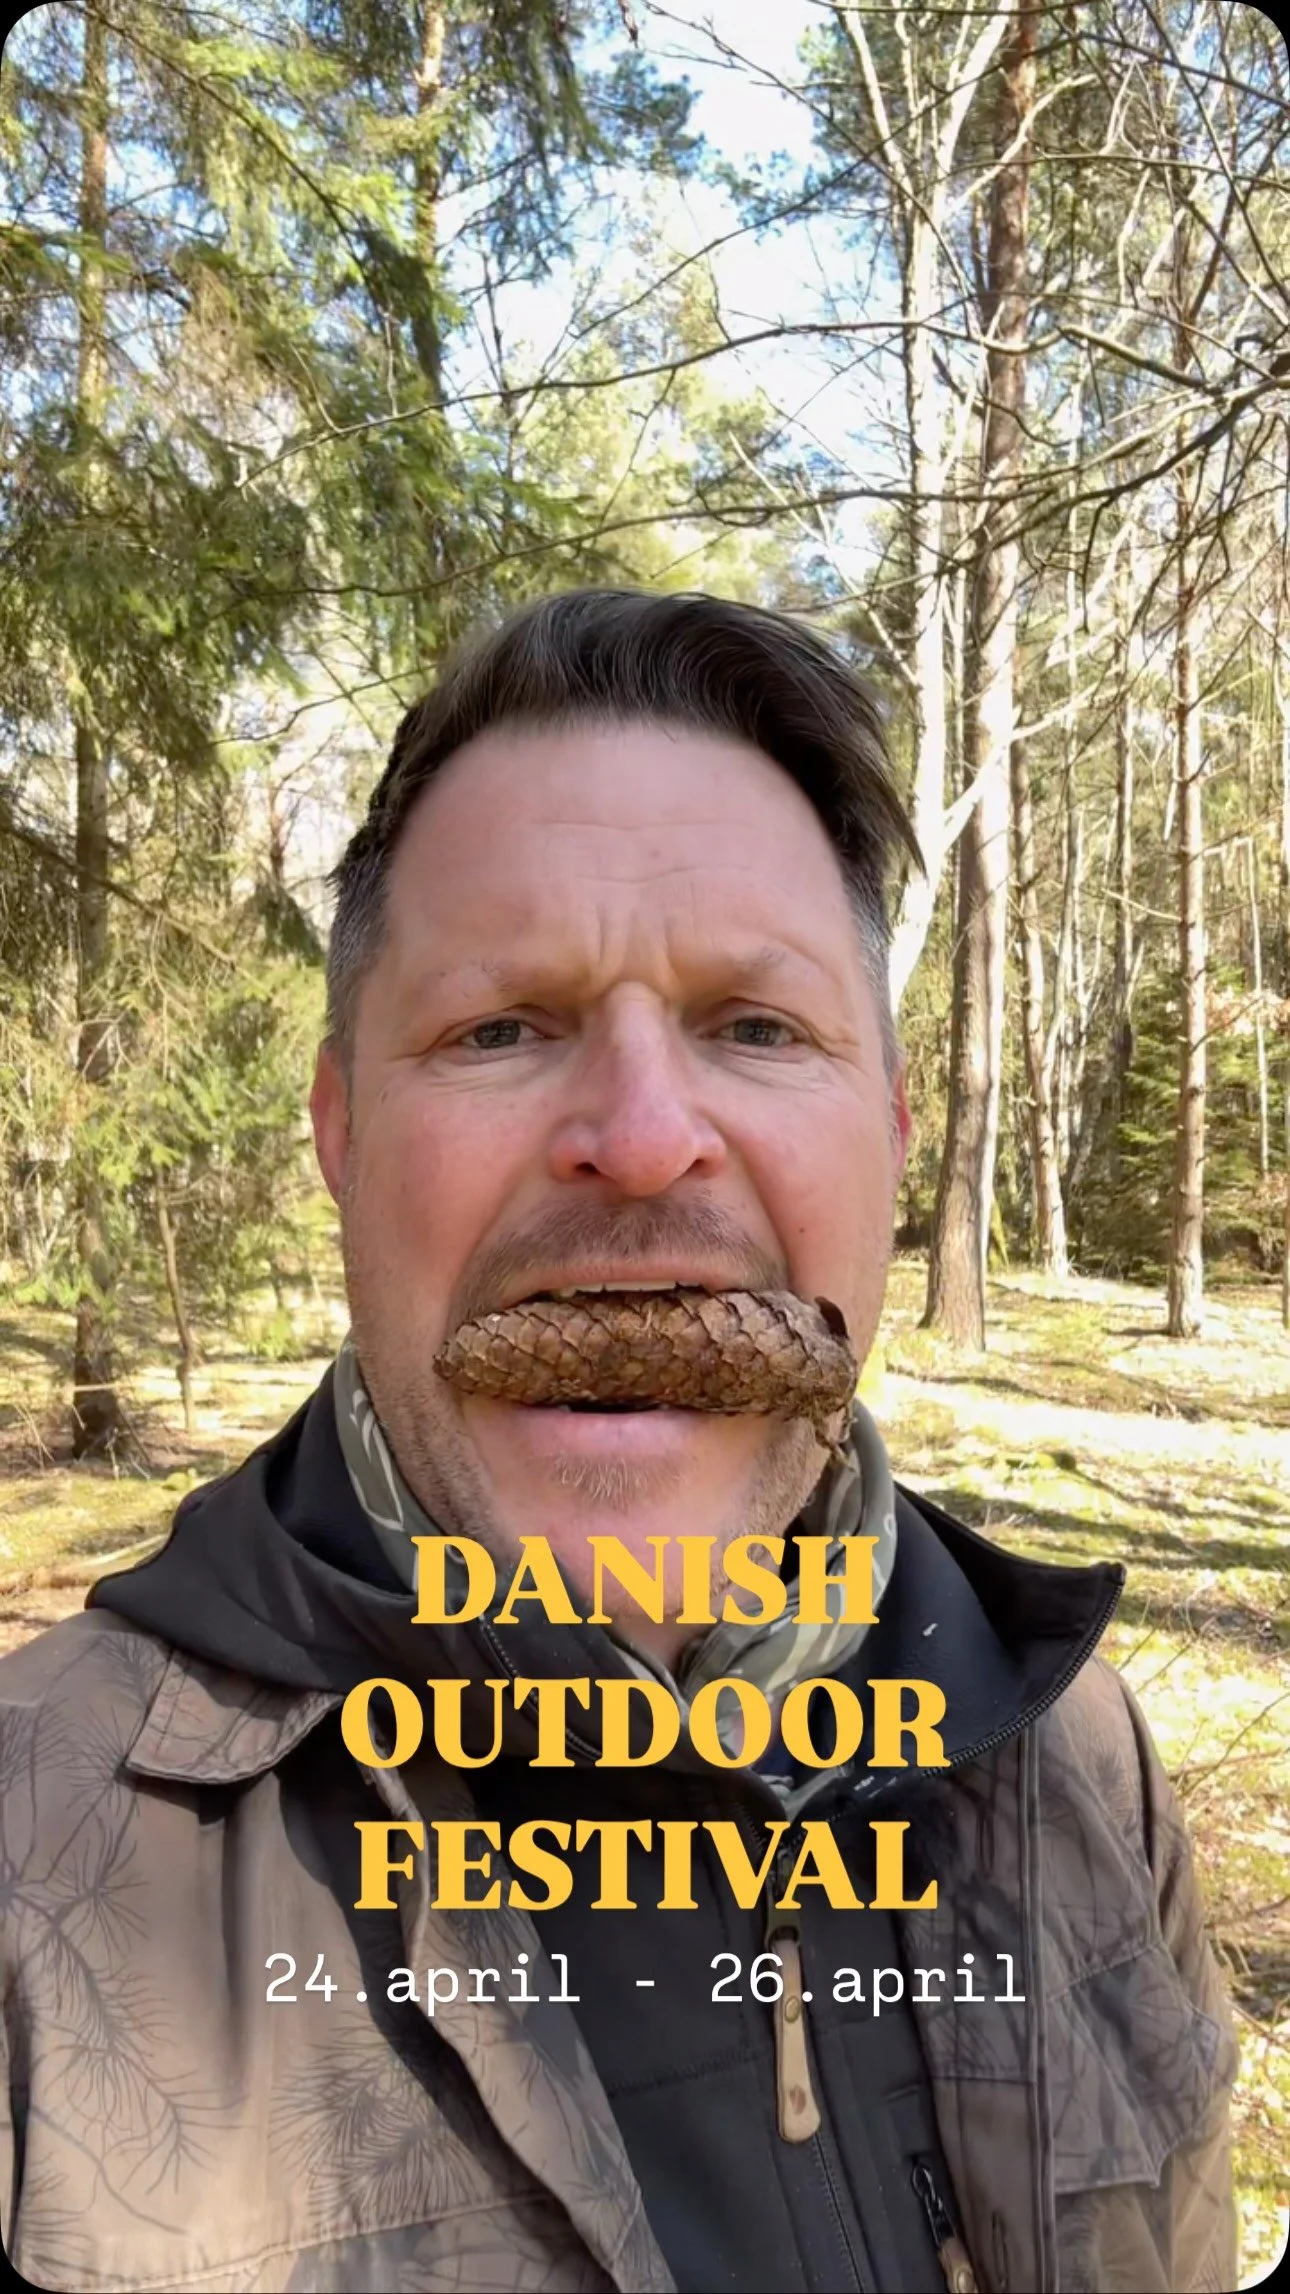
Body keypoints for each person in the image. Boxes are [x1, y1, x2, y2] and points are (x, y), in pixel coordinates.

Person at [0, 589, 1236, 2294]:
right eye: (500, 1026)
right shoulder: (31, 1869)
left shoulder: (1077, 1762)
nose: (645, 1139)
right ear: (341, 1133)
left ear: (889, 1136)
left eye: (757, 1026)